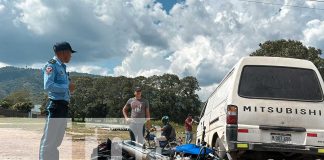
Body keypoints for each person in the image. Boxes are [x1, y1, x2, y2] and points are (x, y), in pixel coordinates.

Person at [39, 41, 76, 160]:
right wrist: (67, 87)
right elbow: (48, 85)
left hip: (63, 106)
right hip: (56, 106)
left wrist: (70, 90)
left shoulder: (63, 67)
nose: (71, 56)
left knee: (56, 142)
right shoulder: (51, 65)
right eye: (70, 53)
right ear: (63, 52)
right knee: (49, 141)